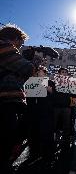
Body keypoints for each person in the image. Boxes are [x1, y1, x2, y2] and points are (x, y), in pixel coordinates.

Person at [0, 24, 34, 173]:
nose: (20, 47)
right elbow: (27, 69)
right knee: (8, 136)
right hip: (5, 103)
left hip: (8, 101)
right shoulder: (4, 47)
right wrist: (33, 60)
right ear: (14, 39)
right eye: (20, 43)